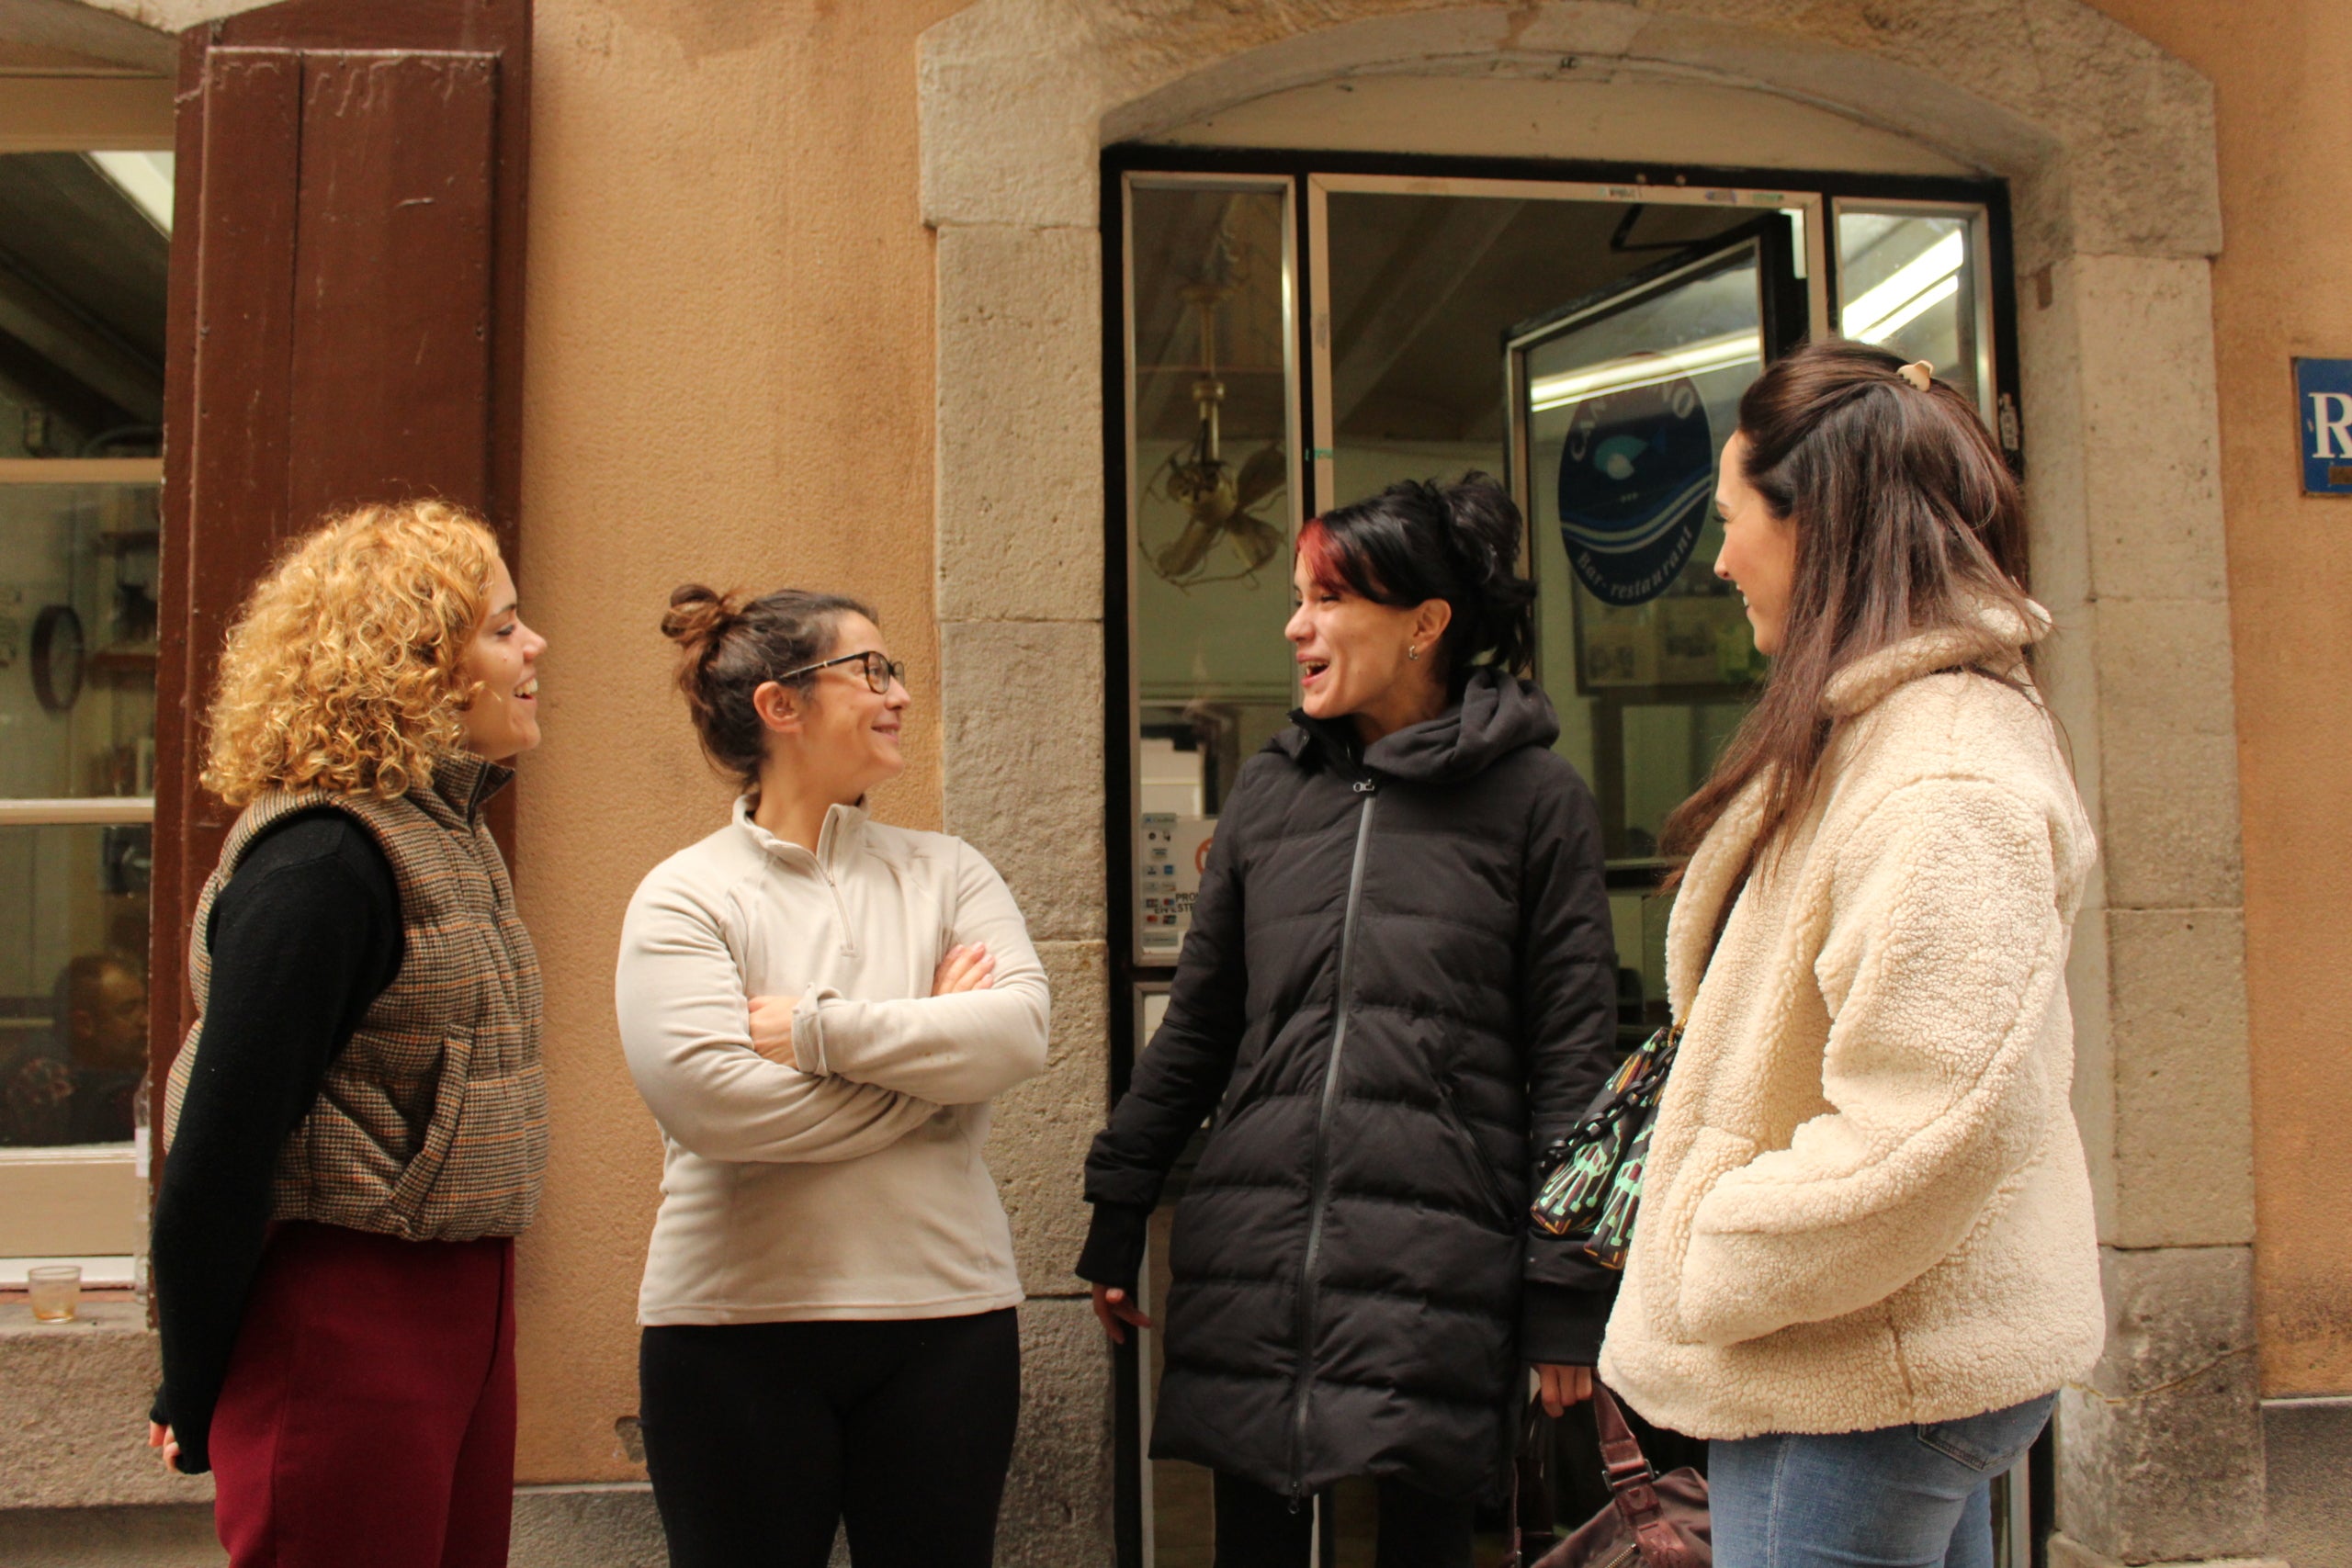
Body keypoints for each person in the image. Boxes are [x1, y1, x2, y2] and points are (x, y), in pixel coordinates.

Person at [1597, 342, 2104, 1567]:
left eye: (1731, 520)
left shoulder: (1936, 769)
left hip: (1863, 1364)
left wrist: (1712, 1245)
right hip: (1858, 1348)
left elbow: (1933, 1122)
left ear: (1814, 521)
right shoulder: (1888, 731)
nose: (1717, 558)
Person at [1078, 476, 1622, 1568]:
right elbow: (1198, 1027)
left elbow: (1573, 1060)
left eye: (1327, 599)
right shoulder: (1271, 796)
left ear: (1425, 624)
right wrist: (1121, 1204)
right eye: (1296, 597)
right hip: (1255, 1248)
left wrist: (1568, 1294)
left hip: (1438, 1256)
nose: (1295, 626)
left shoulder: (1534, 798)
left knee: (1419, 1540)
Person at [147, 501, 550, 1568]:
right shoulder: (324, 864)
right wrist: (190, 1383)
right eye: (504, 627)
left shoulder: (443, 832)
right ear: (417, 664)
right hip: (340, 1322)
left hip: (459, 1306)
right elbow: (219, 1151)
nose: (534, 646)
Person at [615, 586, 1050, 1568]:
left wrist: (816, 1031)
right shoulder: (685, 895)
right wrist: (932, 1061)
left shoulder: (950, 872)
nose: (898, 694)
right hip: (731, 1326)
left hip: (947, 1318)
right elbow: (713, 1107)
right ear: (781, 705)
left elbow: (1018, 1033)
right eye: (872, 671)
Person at [2, 951, 148, 1145]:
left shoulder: (109, 1063)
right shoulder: (44, 1072)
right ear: (84, 1023)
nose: (146, 1021)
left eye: (144, 1006)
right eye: (127, 1010)